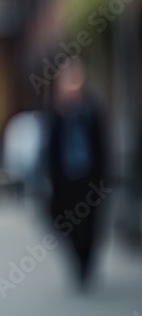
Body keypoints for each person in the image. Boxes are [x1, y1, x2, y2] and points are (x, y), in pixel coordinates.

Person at [43, 60, 108, 290]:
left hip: (88, 177)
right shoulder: (55, 114)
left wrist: (103, 178)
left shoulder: (90, 110)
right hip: (64, 179)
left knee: (90, 224)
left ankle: (86, 264)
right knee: (63, 221)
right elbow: (48, 150)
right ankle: (77, 256)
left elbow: (102, 146)